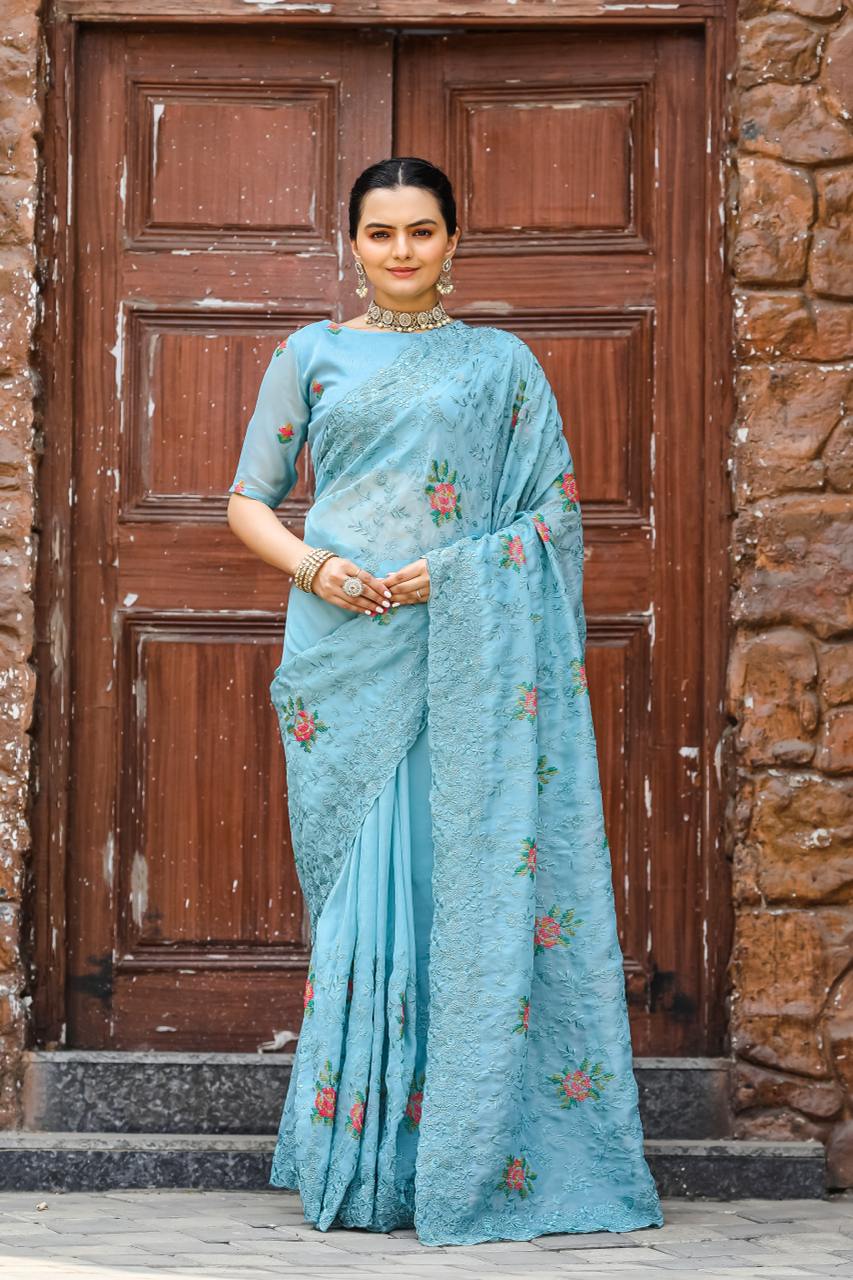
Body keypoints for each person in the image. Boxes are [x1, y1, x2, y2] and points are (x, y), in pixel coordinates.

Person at [226, 156, 663, 1247]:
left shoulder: (500, 365)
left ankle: (459, 1150)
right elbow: (247, 500)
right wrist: (315, 568)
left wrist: (457, 574)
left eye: (421, 231)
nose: (402, 251)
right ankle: (361, 1159)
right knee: (364, 893)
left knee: (452, 880)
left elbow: (552, 519)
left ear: (454, 241)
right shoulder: (308, 354)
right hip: (344, 651)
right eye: (381, 233)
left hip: (467, 654)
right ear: (352, 244)